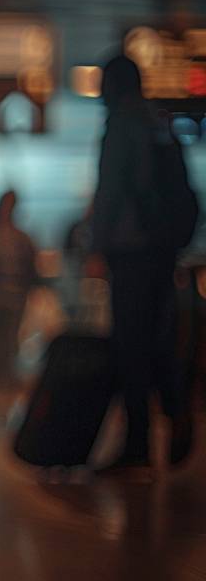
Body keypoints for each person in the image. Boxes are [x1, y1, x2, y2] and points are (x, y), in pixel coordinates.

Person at [91, 54, 198, 469]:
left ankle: (137, 444)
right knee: (158, 340)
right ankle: (176, 416)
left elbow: (112, 189)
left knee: (131, 346)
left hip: (131, 251)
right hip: (162, 250)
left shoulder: (121, 124)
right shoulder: (159, 120)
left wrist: (98, 246)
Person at [0, 190, 37, 410]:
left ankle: (4, 387)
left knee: (10, 341)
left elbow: (31, 268)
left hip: (16, 296)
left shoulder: (22, 238)